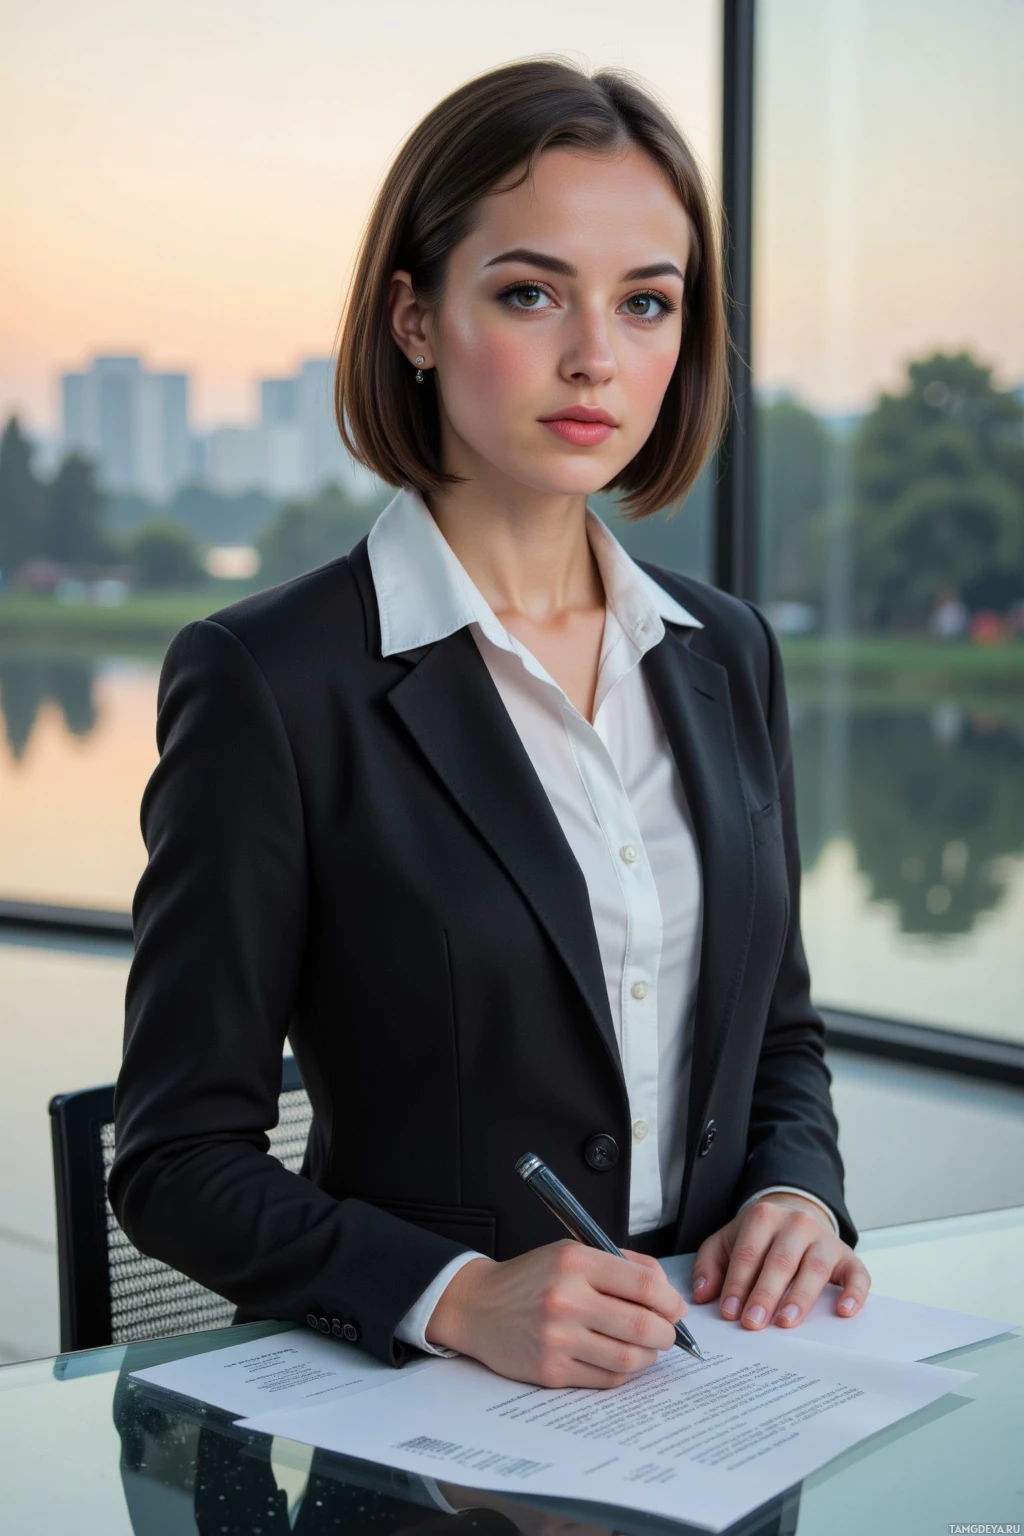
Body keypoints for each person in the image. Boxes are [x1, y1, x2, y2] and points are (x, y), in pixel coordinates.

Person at [108, 56, 871, 1393]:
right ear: (413, 318)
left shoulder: (726, 652)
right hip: (425, 1428)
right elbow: (176, 1163)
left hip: (724, 1389)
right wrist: (455, 1299)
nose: (595, 356)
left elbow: (782, 1040)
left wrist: (797, 1198)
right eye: (531, 292)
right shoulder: (268, 680)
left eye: (647, 303)